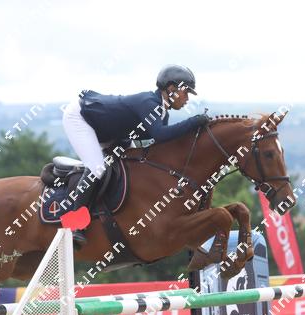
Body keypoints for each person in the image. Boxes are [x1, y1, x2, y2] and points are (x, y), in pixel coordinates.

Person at [61, 64, 210, 248]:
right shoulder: (149, 103)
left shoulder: (161, 112)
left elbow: (161, 146)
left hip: (109, 132)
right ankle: (74, 226)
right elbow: (160, 135)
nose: (187, 98)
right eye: (185, 92)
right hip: (81, 118)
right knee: (97, 168)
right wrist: (193, 122)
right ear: (171, 89)